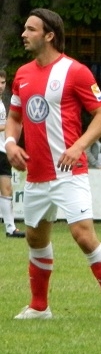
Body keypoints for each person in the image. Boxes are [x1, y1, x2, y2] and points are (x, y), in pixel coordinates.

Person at [4, 8, 101, 326]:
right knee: (35, 239)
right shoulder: (22, 74)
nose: (24, 34)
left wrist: (78, 146)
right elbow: (14, 118)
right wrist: (11, 143)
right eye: (25, 28)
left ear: (49, 35)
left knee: (83, 235)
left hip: (69, 172)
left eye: (31, 29)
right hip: (36, 175)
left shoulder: (76, 71)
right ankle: (39, 307)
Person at [1, 72, 26, 237]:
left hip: (2, 151)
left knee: (7, 188)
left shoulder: (2, 104)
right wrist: (9, 125)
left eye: (3, 82)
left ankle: (10, 228)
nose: (1, 86)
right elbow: (6, 125)